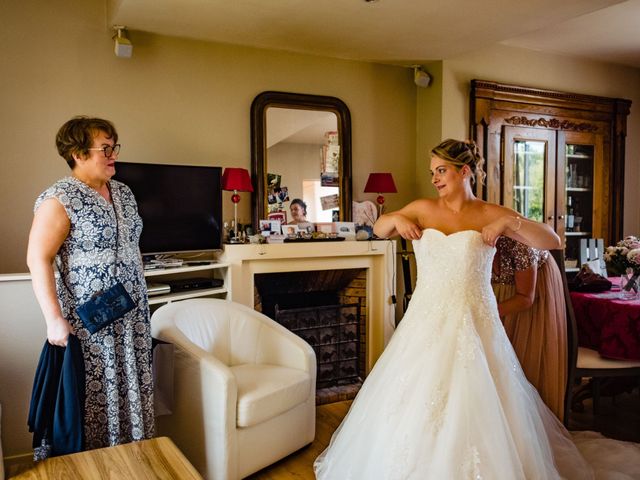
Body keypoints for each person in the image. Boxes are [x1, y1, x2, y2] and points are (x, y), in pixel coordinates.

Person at [314, 138, 638, 479]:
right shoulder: (422, 208)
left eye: (442, 171)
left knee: (478, 403)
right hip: (425, 321)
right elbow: (378, 229)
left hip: (475, 321)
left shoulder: (490, 213)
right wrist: (396, 218)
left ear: (463, 171)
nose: (435, 179)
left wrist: (507, 224)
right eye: (432, 172)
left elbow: (552, 241)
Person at [26, 116, 154, 455]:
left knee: (132, 389)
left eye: (115, 146)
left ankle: (134, 460)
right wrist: (53, 320)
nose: (113, 154)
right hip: (91, 324)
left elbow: (132, 247)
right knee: (96, 399)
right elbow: (37, 259)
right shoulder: (59, 199)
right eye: (105, 148)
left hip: (132, 318)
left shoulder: (124, 193)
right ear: (78, 152)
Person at [492, 236, 568, 421]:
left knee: (522, 356)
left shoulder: (519, 244)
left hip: (533, 293)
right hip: (499, 289)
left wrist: (486, 313)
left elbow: (525, 297)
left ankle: (528, 421)